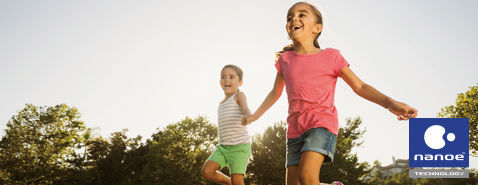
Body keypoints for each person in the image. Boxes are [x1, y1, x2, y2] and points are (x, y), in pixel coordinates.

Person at [242, 2, 418, 185]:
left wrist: (390, 103)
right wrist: (254, 115)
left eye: (302, 15)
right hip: (294, 131)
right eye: (289, 17)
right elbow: (274, 93)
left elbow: (360, 87)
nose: (294, 18)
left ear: (317, 28)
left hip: (321, 125)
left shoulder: (331, 57)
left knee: (306, 178)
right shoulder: (285, 60)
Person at [201, 64, 252, 185]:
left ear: (240, 83)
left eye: (231, 77)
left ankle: (234, 182)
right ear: (220, 82)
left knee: (238, 181)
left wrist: (248, 117)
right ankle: (229, 182)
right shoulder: (221, 103)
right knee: (206, 172)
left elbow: (246, 108)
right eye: (223, 77)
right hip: (223, 148)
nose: (227, 80)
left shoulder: (239, 95)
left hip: (240, 147)